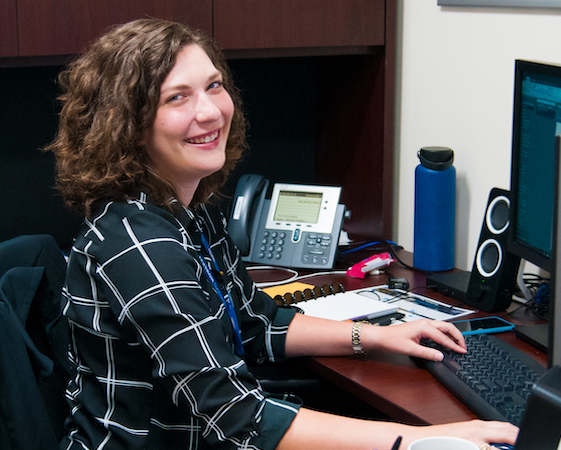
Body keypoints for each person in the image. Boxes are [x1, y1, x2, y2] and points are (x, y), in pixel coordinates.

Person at [45, 18, 518, 450]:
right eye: (177, 97)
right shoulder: (140, 244)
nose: (210, 112)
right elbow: (239, 418)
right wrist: (425, 439)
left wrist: (375, 336)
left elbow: (256, 325)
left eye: (214, 86)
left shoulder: (189, 212)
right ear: (127, 125)